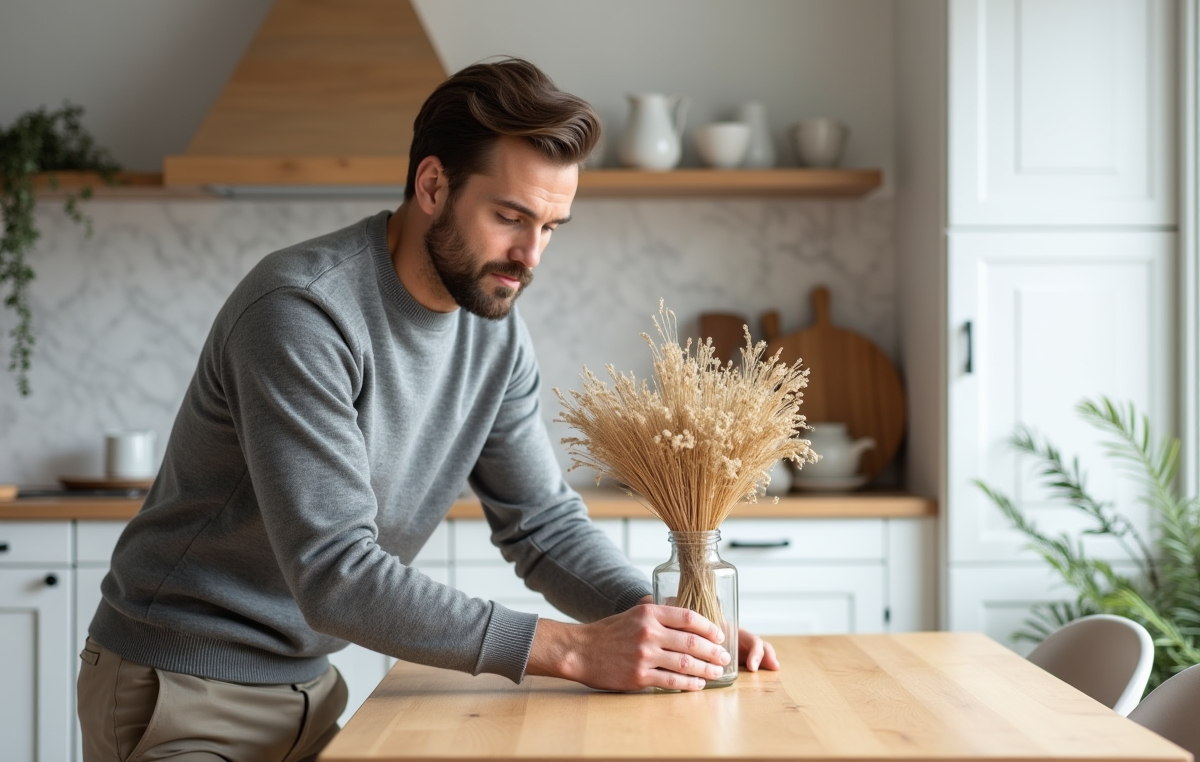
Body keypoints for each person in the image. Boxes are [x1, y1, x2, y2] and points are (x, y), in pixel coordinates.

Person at [77, 58, 779, 762]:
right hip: (179, 686)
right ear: (434, 185)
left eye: (552, 226)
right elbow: (336, 573)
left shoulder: (494, 334)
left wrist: (672, 628)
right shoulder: (303, 312)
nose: (529, 255)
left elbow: (542, 526)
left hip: (309, 689)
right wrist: (572, 649)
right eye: (509, 217)